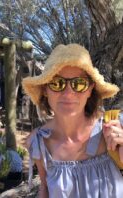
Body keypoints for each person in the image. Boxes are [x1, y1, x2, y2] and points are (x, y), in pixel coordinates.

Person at [22, 43, 123, 197]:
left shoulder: (116, 128)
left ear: (90, 90)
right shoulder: (38, 143)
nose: (68, 94)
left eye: (79, 84)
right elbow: (45, 189)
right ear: (45, 90)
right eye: (57, 83)